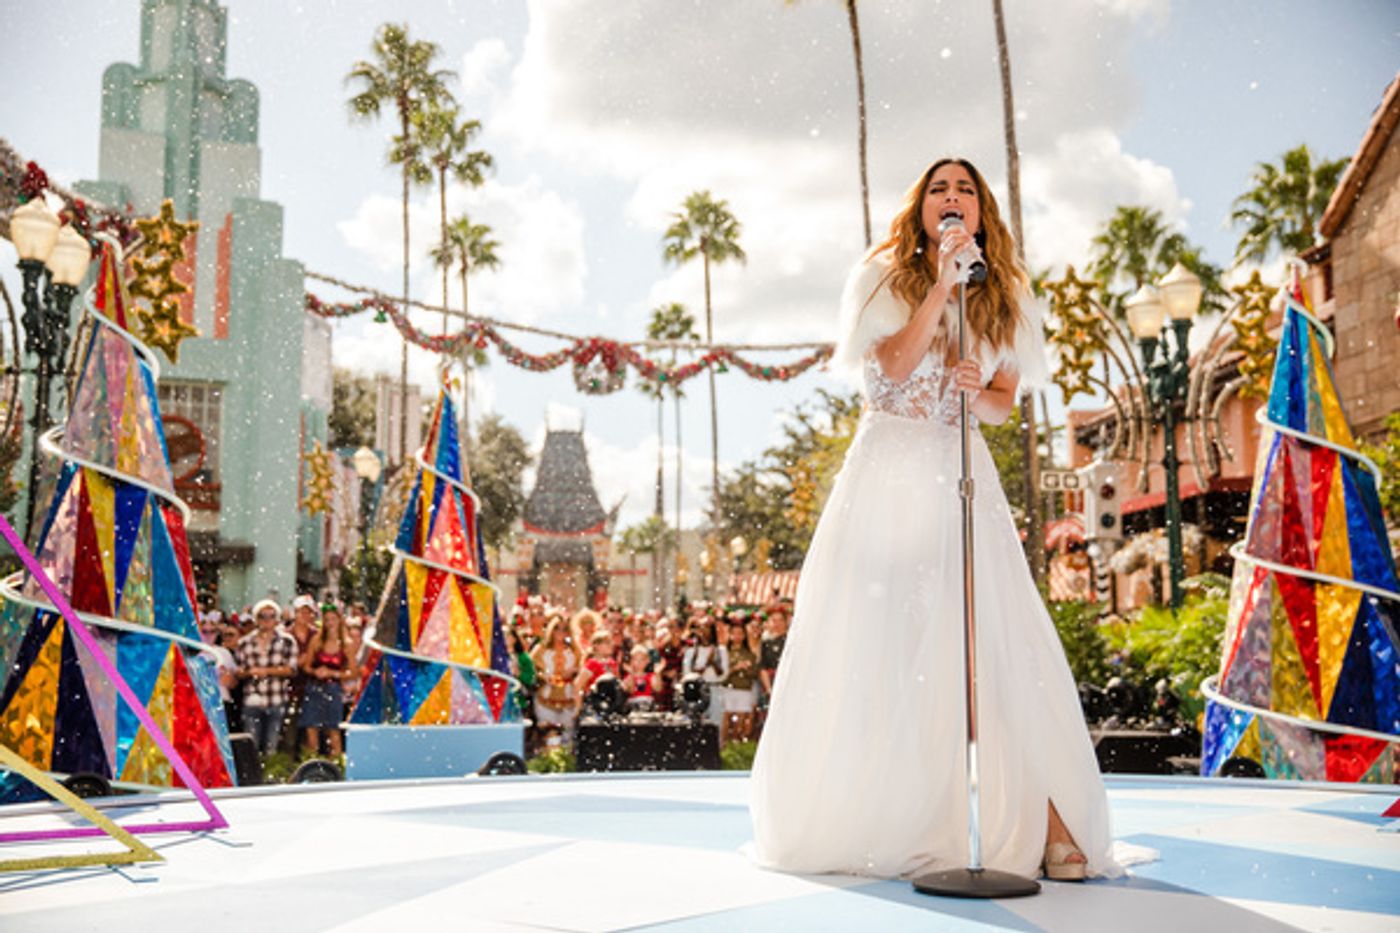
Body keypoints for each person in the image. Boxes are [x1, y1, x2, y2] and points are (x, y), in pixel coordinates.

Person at [749, 158, 1129, 883]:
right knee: (885, 647)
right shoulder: (882, 278)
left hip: (960, 477)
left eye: (965, 191)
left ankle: (1046, 820)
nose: (952, 199)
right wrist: (939, 290)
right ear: (921, 207)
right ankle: (899, 821)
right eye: (938, 189)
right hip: (886, 478)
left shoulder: (1006, 291)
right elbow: (889, 367)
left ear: (982, 210)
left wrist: (975, 390)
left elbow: (1002, 400)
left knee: (991, 647)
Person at [235, 599, 298, 758]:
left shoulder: (287, 641)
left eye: (271, 616)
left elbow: (291, 670)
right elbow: (238, 671)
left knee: (272, 746)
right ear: (256, 619)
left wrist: (266, 671)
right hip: (252, 699)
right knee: (251, 746)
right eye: (262, 616)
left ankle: (270, 777)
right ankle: (254, 779)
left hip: (276, 699)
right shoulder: (244, 642)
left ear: (277, 619)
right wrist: (250, 672)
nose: (266, 620)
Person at [298, 603, 354, 759]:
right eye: (327, 619)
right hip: (314, 687)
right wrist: (316, 671)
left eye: (333, 619)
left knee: (333, 730)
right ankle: (312, 763)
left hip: (334, 688)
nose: (330, 623)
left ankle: (336, 766)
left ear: (339, 620)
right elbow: (306, 667)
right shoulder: (317, 641)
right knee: (311, 729)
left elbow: (353, 672)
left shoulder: (346, 644)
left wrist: (333, 673)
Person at [530, 614, 581, 747]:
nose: (560, 632)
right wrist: (544, 676)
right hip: (545, 699)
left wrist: (573, 673)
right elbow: (532, 671)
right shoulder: (540, 650)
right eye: (557, 628)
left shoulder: (575, 651)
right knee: (549, 737)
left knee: (567, 740)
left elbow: (582, 672)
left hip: (569, 700)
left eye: (564, 629)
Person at [720, 614, 759, 744]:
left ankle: (738, 746)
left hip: (743, 689)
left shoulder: (749, 654)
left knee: (741, 720)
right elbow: (721, 674)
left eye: (740, 633)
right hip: (728, 688)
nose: (737, 636)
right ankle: (724, 744)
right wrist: (735, 668)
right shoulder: (724, 652)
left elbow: (754, 674)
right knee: (726, 718)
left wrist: (747, 669)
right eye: (734, 633)